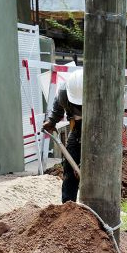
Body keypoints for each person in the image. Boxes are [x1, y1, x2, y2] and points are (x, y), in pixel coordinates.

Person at [42, 69, 83, 203]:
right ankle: (68, 207)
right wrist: (52, 120)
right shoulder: (64, 92)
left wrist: (85, 164)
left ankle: (95, 207)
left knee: (94, 171)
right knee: (70, 169)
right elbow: (58, 103)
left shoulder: (100, 96)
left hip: (100, 133)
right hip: (77, 129)